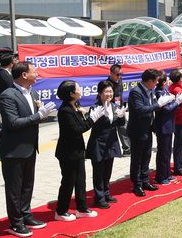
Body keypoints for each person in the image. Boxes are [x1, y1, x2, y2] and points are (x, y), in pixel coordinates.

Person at [0, 62, 56, 237]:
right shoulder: (8, 95)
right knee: (14, 189)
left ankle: (26, 215)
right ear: (23, 75)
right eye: (34, 72)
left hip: (30, 147)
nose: (37, 74)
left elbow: (34, 119)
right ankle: (16, 223)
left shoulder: (33, 92)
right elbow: (13, 123)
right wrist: (38, 115)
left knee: (27, 186)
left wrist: (42, 114)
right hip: (13, 149)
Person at [54, 80, 104, 222]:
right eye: (78, 88)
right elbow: (77, 129)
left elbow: (80, 124)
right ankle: (61, 211)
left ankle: (81, 208)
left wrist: (86, 115)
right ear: (71, 93)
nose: (80, 89)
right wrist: (92, 119)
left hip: (77, 150)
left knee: (80, 180)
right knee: (68, 181)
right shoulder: (65, 110)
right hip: (67, 152)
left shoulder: (74, 105)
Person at [127, 69, 176, 197]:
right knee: (137, 158)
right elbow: (140, 110)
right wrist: (158, 105)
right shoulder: (136, 92)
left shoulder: (150, 91)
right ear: (149, 81)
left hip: (148, 129)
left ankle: (144, 180)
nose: (156, 84)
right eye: (155, 82)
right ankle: (137, 184)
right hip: (137, 130)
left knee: (146, 157)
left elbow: (151, 108)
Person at [85, 80, 127, 209]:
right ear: (100, 93)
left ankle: (106, 193)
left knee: (108, 170)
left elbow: (120, 124)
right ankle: (99, 198)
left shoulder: (114, 106)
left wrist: (121, 116)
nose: (109, 94)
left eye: (111, 91)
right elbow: (92, 124)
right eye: (106, 91)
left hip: (111, 142)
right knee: (99, 172)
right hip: (98, 143)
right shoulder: (95, 107)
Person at [154, 71, 182, 184]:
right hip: (163, 125)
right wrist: (177, 102)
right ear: (163, 82)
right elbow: (166, 109)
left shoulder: (165, 90)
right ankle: (161, 176)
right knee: (163, 152)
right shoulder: (158, 92)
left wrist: (176, 102)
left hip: (169, 123)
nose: (168, 81)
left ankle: (167, 173)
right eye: (166, 80)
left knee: (168, 151)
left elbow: (172, 106)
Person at [106, 64, 130, 156]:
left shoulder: (120, 80)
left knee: (123, 127)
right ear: (111, 73)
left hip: (119, 108)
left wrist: (123, 107)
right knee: (110, 130)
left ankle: (127, 149)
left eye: (121, 74)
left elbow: (120, 96)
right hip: (110, 109)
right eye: (117, 74)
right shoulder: (107, 84)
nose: (119, 76)